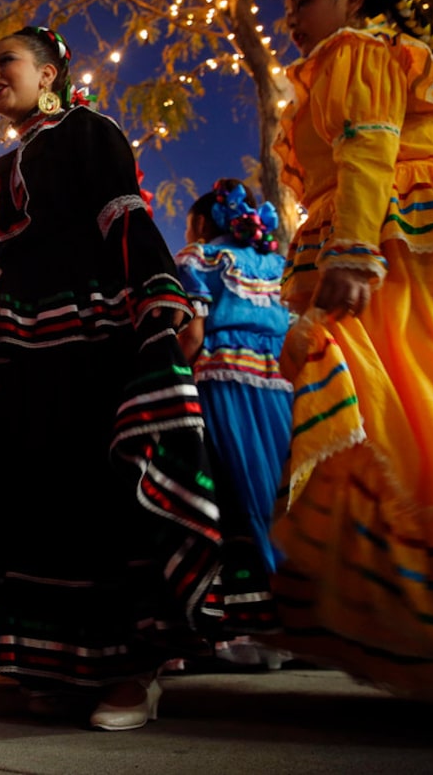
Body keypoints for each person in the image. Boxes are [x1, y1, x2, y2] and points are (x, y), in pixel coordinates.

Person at [0, 26, 272, 732]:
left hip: (89, 327)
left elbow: (123, 213)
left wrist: (162, 298)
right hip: (26, 337)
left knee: (98, 486)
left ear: (49, 75)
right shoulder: (12, 158)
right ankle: (58, 663)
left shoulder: (89, 129)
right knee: (37, 487)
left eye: (5, 61)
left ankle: (132, 670)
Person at [272, 0, 433, 703]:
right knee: (418, 421)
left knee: (431, 420)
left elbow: (369, 146)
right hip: (403, 245)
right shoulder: (328, 66)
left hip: (414, 251)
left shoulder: (357, 52)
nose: (290, 18)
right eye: (285, 8)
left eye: (302, 0)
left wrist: (353, 251)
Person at [175, 180, 292, 574]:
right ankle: (291, 581)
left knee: (230, 484)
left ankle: (248, 585)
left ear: (204, 222)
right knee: (279, 479)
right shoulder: (279, 264)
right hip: (280, 380)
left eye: (190, 226)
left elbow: (192, 334)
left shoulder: (201, 258)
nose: (187, 234)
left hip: (221, 377)